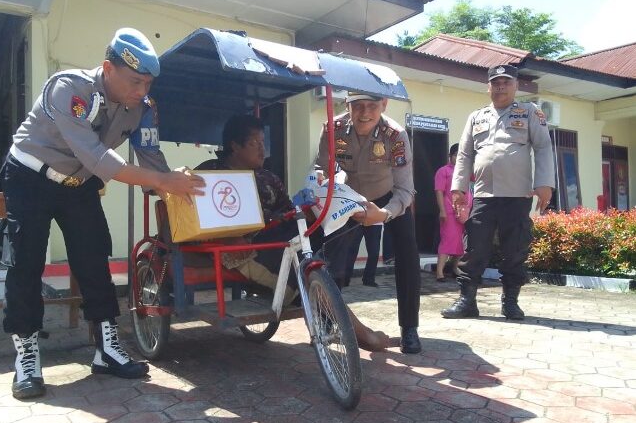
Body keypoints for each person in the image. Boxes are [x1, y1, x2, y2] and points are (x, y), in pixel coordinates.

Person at [0, 28, 206, 399]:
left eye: (148, 83)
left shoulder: (143, 108)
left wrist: (173, 190)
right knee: (26, 262)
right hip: (30, 176)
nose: (142, 91)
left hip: (79, 185)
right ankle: (26, 357)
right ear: (108, 68)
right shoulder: (68, 89)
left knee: (95, 258)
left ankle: (107, 348)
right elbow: (98, 157)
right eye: (135, 81)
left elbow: (150, 156)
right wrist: (162, 179)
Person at [197, 115, 391, 351]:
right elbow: (195, 214)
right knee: (304, 267)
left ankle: (330, 290)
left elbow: (289, 212)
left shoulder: (268, 177)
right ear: (235, 146)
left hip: (279, 236)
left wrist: (311, 212)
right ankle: (363, 336)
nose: (262, 150)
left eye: (263, 142)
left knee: (341, 224)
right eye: (254, 144)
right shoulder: (210, 173)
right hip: (245, 246)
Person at [441, 64, 554, 320]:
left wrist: (544, 183)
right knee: (474, 250)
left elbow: (544, 147)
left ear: (516, 85)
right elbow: (465, 154)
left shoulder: (529, 112)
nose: (500, 86)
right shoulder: (476, 117)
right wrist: (458, 187)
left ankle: (510, 302)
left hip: (517, 196)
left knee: (515, 250)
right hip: (483, 195)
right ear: (488, 86)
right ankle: (467, 302)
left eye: (506, 81)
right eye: (496, 82)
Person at [314, 93, 422, 354]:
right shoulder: (333, 129)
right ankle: (328, 323)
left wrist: (384, 214)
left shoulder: (395, 135)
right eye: (358, 106)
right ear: (347, 105)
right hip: (349, 196)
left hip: (388, 196)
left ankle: (409, 328)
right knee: (327, 254)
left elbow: (406, 190)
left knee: (408, 255)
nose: (364, 113)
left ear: (384, 105)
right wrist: (319, 176)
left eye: (372, 106)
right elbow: (322, 167)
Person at [434, 143, 471, 282]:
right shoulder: (443, 171)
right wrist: (442, 211)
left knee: (460, 244)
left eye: (461, 155)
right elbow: (439, 191)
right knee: (447, 241)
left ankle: (454, 268)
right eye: (456, 155)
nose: (458, 157)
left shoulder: (464, 171)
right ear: (450, 156)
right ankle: (439, 272)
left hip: (464, 213)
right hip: (449, 211)